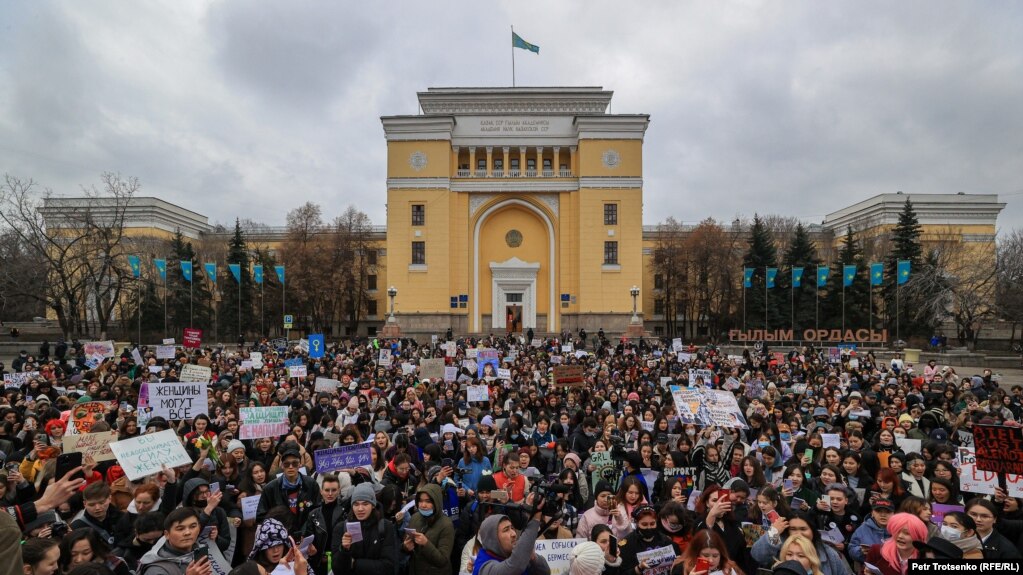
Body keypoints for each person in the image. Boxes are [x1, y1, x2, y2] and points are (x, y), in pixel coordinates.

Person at [331, 483, 398, 575]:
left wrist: (355, 564)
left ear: (373, 505)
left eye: (365, 504)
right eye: (356, 504)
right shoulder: (341, 528)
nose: (360, 509)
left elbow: (388, 567)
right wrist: (344, 550)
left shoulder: (385, 526)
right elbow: (337, 569)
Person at [256, 442, 321, 532]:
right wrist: (278, 532)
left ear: (300, 464)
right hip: (279, 538)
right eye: (287, 464)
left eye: (294, 463)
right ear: (282, 466)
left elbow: (317, 511)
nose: (290, 467)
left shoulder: (311, 484)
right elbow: (261, 516)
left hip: (306, 535)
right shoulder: (270, 488)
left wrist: (305, 532)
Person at [471, 508, 550, 575]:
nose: (514, 534)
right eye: (506, 530)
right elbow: (515, 567)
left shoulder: (514, 555)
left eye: (512, 528)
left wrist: (533, 558)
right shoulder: (484, 568)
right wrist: (534, 520)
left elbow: (545, 572)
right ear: (493, 538)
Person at [138, 508, 214, 575]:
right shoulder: (156, 569)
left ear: (199, 529)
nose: (187, 532)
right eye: (180, 529)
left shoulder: (201, 553)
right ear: (167, 534)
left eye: (193, 527)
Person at [404, 484, 454, 575]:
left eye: (428, 501)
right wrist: (405, 547)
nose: (423, 505)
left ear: (436, 503)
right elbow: (406, 544)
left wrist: (426, 544)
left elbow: (442, 560)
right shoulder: (415, 517)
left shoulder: (446, 524)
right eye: (420, 501)